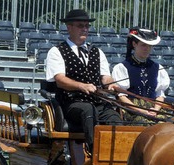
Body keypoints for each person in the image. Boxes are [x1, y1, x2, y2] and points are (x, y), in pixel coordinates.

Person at [45, 9, 122, 153]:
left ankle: (117, 154)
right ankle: (95, 153)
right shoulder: (56, 52)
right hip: (71, 103)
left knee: (113, 115)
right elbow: (60, 80)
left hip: (96, 101)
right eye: (81, 25)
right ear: (69, 27)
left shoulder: (97, 52)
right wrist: (81, 86)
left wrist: (111, 83)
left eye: (87, 26)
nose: (85, 29)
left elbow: (105, 76)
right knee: (88, 109)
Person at [111, 27, 170, 122]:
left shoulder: (157, 68)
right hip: (131, 110)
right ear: (134, 44)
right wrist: (142, 111)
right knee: (145, 123)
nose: (147, 49)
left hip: (153, 110)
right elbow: (121, 96)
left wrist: (155, 110)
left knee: (167, 125)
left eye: (149, 46)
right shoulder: (122, 67)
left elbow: (160, 94)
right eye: (143, 45)